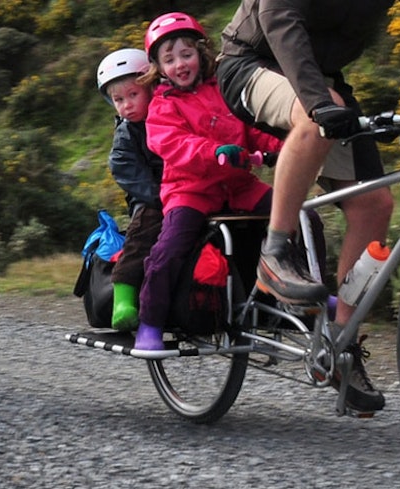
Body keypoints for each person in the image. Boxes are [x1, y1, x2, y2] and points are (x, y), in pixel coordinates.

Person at [216, 1, 400, 414]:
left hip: (321, 80)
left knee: (374, 205)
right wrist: (318, 100)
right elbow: (278, 16)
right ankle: (274, 252)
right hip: (250, 63)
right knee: (312, 117)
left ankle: (340, 344)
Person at [133, 12, 284, 350]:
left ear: (200, 54)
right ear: (158, 67)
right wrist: (215, 151)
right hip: (190, 190)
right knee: (169, 250)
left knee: (299, 216)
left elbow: (254, 130)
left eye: (186, 54)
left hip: (238, 186)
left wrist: (287, 147)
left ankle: (302, 298)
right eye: (169, 60)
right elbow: (172, 144)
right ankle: (150, 322)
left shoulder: (225, 90)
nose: (180, 64)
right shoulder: (162, 105)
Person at [95, 48, 164, 332]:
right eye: (118, 100)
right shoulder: (126, 133)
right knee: (140, 235)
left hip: (189, 190)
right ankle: (124, 299)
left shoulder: (168, 115)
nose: (126, 105)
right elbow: (126, 170)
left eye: (133, 95)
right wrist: (160, 197)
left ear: (151, 88)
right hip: (151, 198)